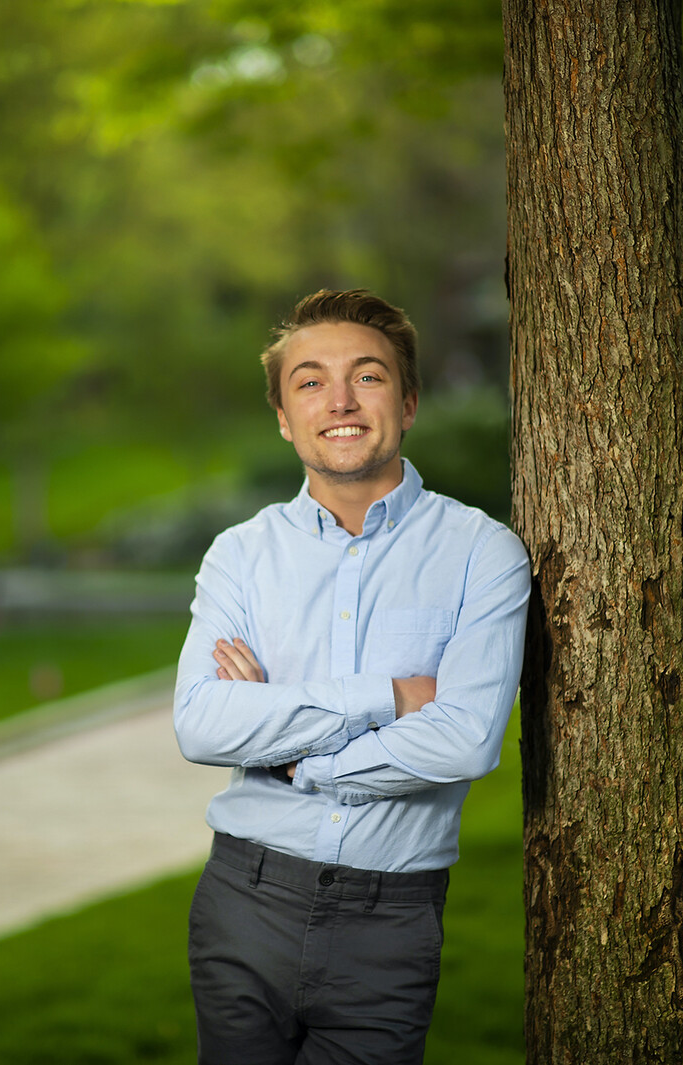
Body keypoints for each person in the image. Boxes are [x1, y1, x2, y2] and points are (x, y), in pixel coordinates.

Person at [173, 288, 531, 1064]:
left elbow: (466, 741)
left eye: (366, 377)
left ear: (407, 403)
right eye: (309, 381)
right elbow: (201, 722)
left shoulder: (483, 553)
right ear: (282, 414)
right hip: (244, 899)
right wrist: (392, 698)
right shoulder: (241, 555)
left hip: (390, 918)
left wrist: (296, 752)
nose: (339, 400)